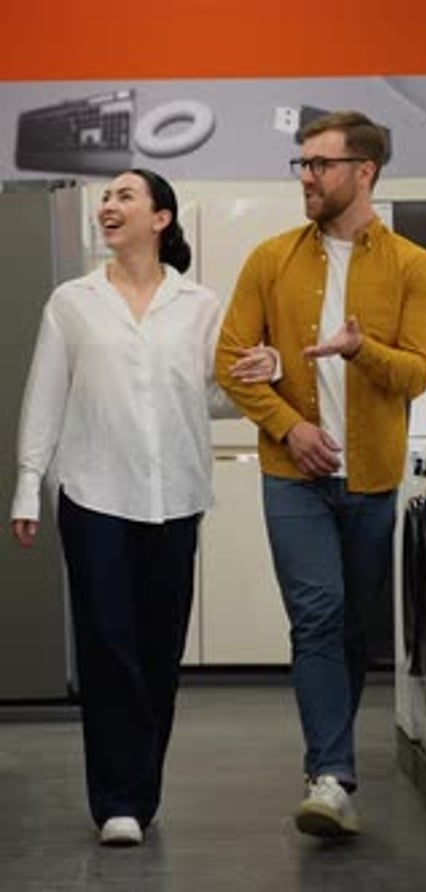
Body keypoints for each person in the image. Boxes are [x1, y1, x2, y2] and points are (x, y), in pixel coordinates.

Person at [10, 169, 278, 847]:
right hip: (94, 492)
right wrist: (27, 482)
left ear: (160, 218)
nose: (109, 205)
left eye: (125, 196)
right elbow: (44, 396)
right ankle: (118, 801)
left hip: (176, 495)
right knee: (107, 646)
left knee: (157, 648)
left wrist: (262, 371)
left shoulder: (200, 304)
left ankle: (140, 787)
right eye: (106, 198)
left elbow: (212, 397)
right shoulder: (71, 302)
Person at [215, 111, 426, 838]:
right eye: (302, 164)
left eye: (319, 164)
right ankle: (332, 776)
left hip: (373, 478)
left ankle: (327, 764)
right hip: (293, 475)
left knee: (349, 631)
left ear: (364, 172)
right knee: (315, 618)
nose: (306, 177)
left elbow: (414, 374)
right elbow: (231, 359)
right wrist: (291, 424)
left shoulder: (413, 265)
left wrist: (358, 349)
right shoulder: (270, 258)